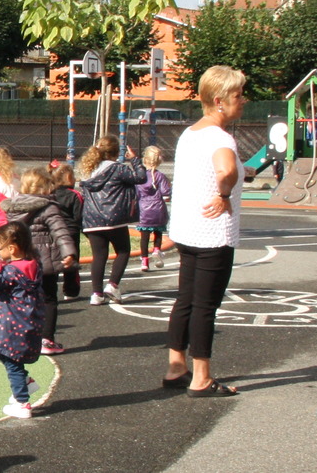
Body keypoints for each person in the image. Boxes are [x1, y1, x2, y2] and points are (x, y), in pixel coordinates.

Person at [164, 65, 250, 398]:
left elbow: (220, 169)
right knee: (205, 306)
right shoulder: (220, 136)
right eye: (238, 96)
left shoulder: (192, 133)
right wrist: (224, 193)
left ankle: (176, 365)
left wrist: (244, 172)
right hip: (214, 233)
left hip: (188, 229)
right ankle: (201, 377)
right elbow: (225, 170)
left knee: (186, 298)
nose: (243, 101)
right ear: (218, 100)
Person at [4, 168, 79, 354]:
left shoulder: (12, 207)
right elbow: (60, 232)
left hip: (20, 262)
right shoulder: (49, 207)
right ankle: (46, 340)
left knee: (22, 299)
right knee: (48, 299)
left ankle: (20, 336)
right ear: (46, 187)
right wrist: (69, 253)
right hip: (44, 263)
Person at [0, 222, 47, 419]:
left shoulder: (11, 272)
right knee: (5, 354)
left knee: (11, 361)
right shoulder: (34, 264)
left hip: (10, 323)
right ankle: (25, 382)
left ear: (12, 248)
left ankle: (22, 402)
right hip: (27, 322)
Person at [78, 135, 145, 306]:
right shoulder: (118, 169)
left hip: (92, 219)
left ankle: (96, 293)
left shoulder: (88, 171)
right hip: (114, 218)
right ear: (117, 152)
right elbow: (140, 178)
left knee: (99, 256)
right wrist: (135, 160)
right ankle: (113, 284)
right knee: (123, 251)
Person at [47, 164, 83, 300]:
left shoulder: (50, 194)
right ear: (69, 178)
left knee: (54, 260)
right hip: (71, 233)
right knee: (71, 261)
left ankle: (51, 289)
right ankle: (70, 290)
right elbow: (78, 216)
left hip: (54, 232)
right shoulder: (74, 195)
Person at [135, 146, 172, 272]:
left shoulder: (140, 177)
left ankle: (144, 262)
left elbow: (136, 193)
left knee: (144, 237)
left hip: (143, 209)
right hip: (158, 208)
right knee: (158, 232)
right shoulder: (160, 176)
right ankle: (157, 249)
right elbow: (166, 192)